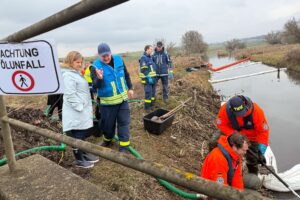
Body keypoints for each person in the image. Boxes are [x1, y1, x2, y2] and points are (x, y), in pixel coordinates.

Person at [91, 43, 134, 153]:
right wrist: (99, 78)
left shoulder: (119, 60)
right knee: (107, 125)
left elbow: (126, 74)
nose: (106, 58)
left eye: (107, 55)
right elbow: (95, 86)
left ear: (110, 52)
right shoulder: (95, 66)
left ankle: (124, 147)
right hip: (107, 104)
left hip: (123, 100)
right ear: (99, 55)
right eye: (103, 56)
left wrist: (130, 88)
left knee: (124, 123)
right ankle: (107, 139)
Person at [62, 51, 99, 168]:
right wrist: (80, 107)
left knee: (82, 134)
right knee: (77, 135)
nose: (79, 64)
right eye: (77, 62)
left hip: (81, 110)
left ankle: (84, 154)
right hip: (76, 111)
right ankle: (79, 159)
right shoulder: (68, 75)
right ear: (70, 61)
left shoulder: (75, 73)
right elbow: (70, 94)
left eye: (80, 62)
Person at [216, 95, 269, 175]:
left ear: (246, 105)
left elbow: (263, 132)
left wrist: (261, 151)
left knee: (253, 158)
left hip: (251, 138)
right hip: (233, 134)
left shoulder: (257, 111)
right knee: (214, 142)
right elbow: (221, 124)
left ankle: (253, 174)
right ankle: (222, 166)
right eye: (238, 113)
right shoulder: (225, 110)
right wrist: (234, 135)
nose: (241, 115)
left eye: (242, 112)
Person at [139, 45, 157, 110]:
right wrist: (148, 77)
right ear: (147, 49)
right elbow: (143, 69)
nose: (152, 50)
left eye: (152, 49)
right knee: (148, 93)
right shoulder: (143, 58)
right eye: (150, 49)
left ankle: (152, 105)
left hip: (153, 79)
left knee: (153, 93)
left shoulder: (151, 58)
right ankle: (147, 108)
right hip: (147, 80)